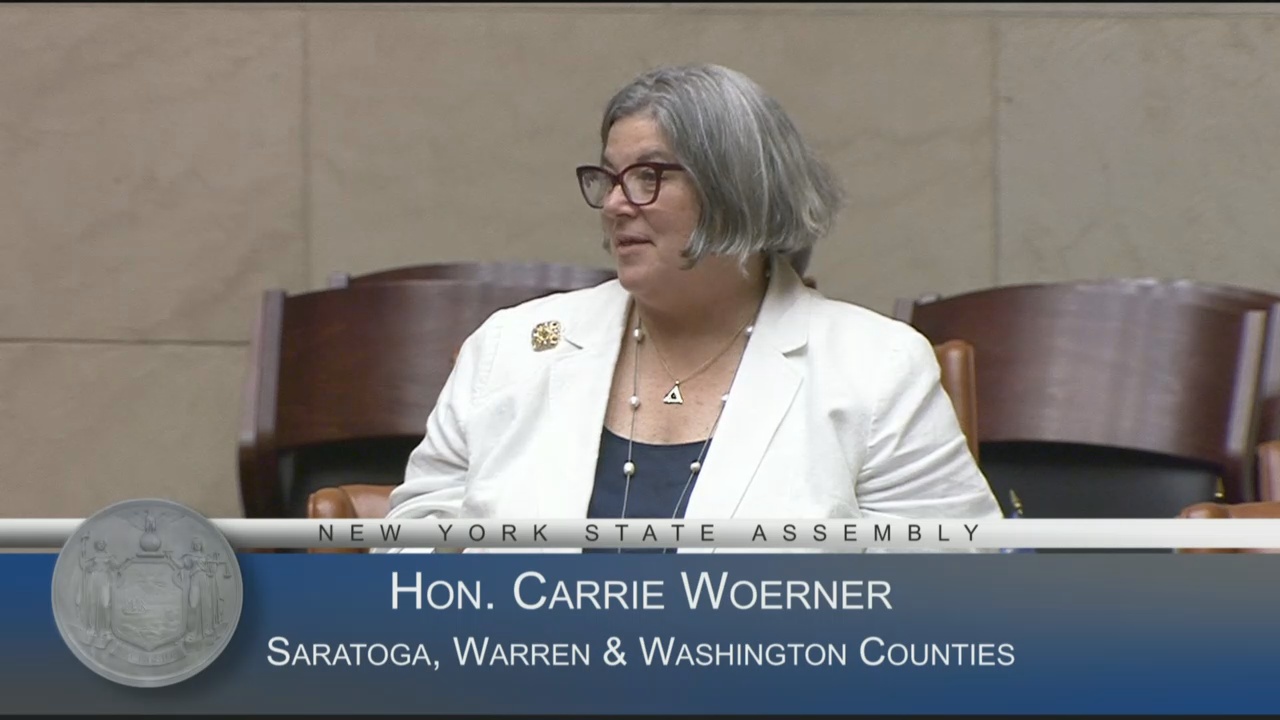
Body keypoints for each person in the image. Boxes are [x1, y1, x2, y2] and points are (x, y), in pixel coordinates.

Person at [381, 64, 1001, 553]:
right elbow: (412, 547)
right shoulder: (513, 347)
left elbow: (952, 587)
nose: (615, 205)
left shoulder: (876, 367)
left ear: (739, 189)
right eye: (609, 179)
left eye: (648, 176)